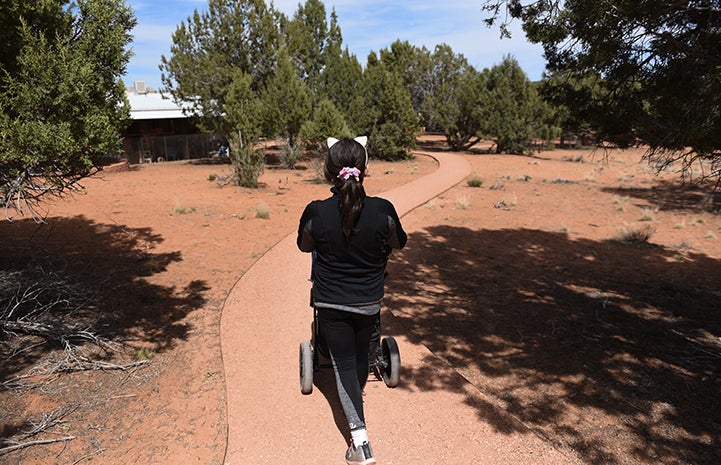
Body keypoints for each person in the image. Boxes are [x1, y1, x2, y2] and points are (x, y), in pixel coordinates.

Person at [297, 136, 407, 465]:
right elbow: (399, 243)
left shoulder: (315, 211)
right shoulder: (383, 210)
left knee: (343, 365)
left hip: (331, 303)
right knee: (359, 360)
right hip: (368, 302)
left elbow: (304, 246)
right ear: (364, 170)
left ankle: (360, 443)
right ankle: (355, 409)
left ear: (330, 172)